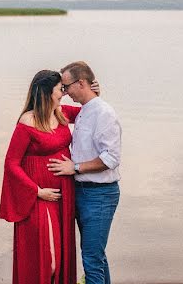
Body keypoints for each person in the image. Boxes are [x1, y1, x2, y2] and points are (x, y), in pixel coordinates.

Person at [0, 70, 82, 284]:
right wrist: (37, 191)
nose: (63, 93)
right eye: (60, 89)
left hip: (63, 198)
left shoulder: (60, 113)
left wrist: (93, 92)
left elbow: (87, 110)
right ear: (47, 93)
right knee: (49, 261)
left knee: (61, 260)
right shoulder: (28, 122)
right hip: (39, 199)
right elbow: (11, 163)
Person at [49, 61, 122, 284]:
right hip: (82, 192)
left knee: (91, 258)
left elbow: (111, 158)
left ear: (81, 83)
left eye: (66, 86)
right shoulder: (85, 111)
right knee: (96, 256)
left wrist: (76, 167)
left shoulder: (103, 114)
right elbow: (50, 110)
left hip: (99, 195)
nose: (65, 92)